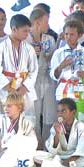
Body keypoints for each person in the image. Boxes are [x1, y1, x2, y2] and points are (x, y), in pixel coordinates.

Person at [0, 14, 38, 124]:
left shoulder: (29, 48)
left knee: (27, 121)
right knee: (7, 121)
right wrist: (8, 87)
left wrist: (25, 87)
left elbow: (34, 70)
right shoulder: (1, 47)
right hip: (8, 89)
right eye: (25, 31)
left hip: (24, 90)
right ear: (14, 29)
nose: (27, 34)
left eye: (28, 31)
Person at [38, 98, 84, 167]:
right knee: (38, 155)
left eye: (63, 111)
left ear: (73, 112)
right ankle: (67, 165)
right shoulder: (56, 126)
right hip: (59, 157)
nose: (60, 114)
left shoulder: (81, 127)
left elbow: (83, 149)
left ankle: (62, 165)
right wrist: (57, 134)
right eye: (58, 111)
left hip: (75, 158)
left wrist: (66, 162)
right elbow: (52, 151)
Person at [26, 8, 57, 144]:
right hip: (31, 80)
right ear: (37, 22)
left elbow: (53, 61)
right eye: (46, 21)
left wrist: (47, 55)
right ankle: (35, 144)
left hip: (48, 78)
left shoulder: (49, 39)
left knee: (50, 113)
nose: (48, 25)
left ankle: (48, 144)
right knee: (34, 113)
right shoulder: (25, 39)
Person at [0, 93, 37, 166]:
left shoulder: (27, 123)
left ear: (19, 107)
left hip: (21, 160)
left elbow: (33, 142)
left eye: (9, 106)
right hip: (4, 159)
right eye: (4, 106)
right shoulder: (0, 121)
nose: (5, 109)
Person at [50, 20, 84, 101]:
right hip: (63, 91)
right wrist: (61, 66)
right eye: (66, 34)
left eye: (72, 34)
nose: (68, 37)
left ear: (79, 35)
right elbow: (53, 75)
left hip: (80, 90)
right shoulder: (58, 53)